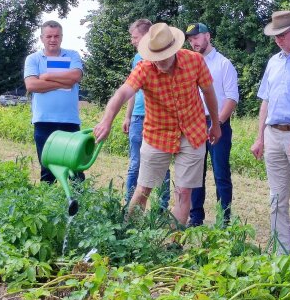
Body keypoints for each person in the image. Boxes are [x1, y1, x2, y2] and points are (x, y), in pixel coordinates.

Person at [93, 23, 222, 225]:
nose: (159, 61)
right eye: (155, 56)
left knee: (184, 192)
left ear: (174, 49)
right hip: (157, 134)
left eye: (164, 55)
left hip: (193, 132)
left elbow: (209, 93)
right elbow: (122, 93)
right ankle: (128, 235)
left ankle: (173, 245)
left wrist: (215, 124)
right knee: (144, 188)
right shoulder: (144, 68)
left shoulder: (194, 61)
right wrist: (106, 121)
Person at [251, 10, 290, 259]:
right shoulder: (273, 61)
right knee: (277, 199)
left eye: (282, 35)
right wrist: (260, 137)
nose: (278, 39)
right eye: (275, 36)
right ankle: (281, 254)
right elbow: (265, 100)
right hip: (273, 134)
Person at [184, 23, 239, 226]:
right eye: (190, 40)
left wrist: (217, 123)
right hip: (195, 123)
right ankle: (196, 217)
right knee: (195, 172)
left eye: (197, 38)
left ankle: (223, 220)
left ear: (208, 35)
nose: (194, 42)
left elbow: (232, 98)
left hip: (218, 122)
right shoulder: (189, 64)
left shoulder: (224, 64)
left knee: (220, 172)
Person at [24, 20, 85, 184]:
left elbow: (75, 77)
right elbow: (31, 85)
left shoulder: (72, 55)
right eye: (49, 36)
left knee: (75, 169)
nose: (53, 39)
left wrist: (47, 76)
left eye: (56, 36)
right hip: (44, 121)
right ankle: (47, 207)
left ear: (62, 37)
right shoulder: (33, 59)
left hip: (69, 122)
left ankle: (79, 205)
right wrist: (63, 83)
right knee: (48, 170)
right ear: (41, 38)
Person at [122, 19, 170, 211]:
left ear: (145, 35)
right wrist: (128, 116)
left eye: (134, 37)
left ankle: (161, 207)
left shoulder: (165, 55)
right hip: (138, 117)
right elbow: (131, 89)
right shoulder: (136, 58)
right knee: (135, 163)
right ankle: (130, 205)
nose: (132, 41)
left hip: (158, 118)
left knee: (161, 165)